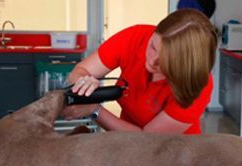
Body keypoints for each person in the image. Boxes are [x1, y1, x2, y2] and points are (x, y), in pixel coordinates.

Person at [62, 9, 217, 134]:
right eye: (153, 47)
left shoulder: (198, 84)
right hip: (126, 140)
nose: (152, 60)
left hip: (174, 151)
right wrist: (83, 84)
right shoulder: (135, 37)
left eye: (165, 61)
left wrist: (94, 110)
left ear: (184, 66)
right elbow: (81, 70)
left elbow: (146, 139)